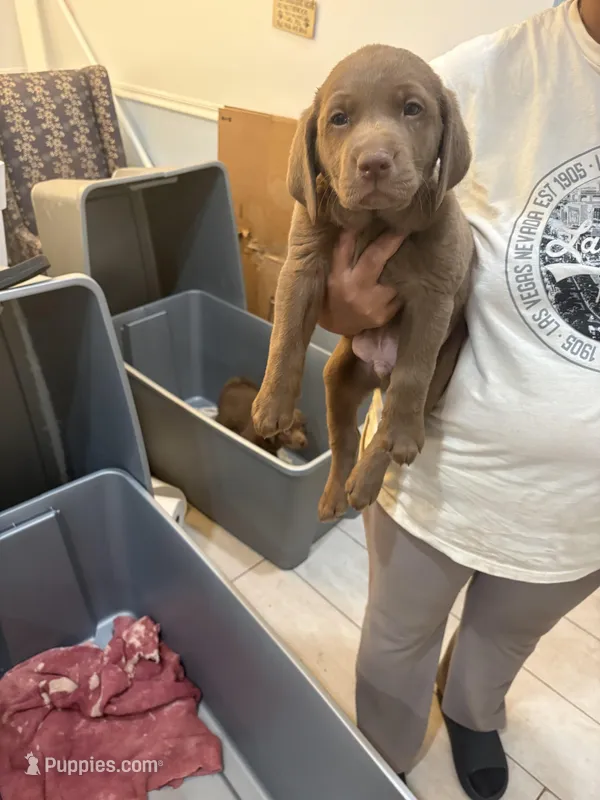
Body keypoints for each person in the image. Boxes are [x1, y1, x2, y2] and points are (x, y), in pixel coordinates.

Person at [319, 1, 600, 798]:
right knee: (394, 644)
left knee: (503, 642)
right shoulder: (467, 78)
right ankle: (385, 748)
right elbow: (348, 290)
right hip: (445, 466)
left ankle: (474, 711)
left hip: (585, 511)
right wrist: (342, 307)